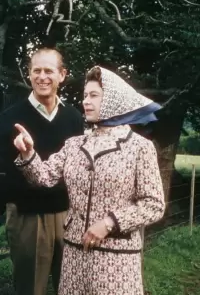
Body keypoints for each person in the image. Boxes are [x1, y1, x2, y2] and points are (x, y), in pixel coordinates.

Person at [12, 65, 166, 294]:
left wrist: (108, 224)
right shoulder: (74, 144)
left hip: (117, 261)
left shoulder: (139, 148)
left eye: (94, 95)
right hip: (74, 256)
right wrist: (28, 153)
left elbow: (154, 204)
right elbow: (42, 178)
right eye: (85, 96)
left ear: (113, 100)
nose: (86, 101)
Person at [0, 48, 84, 295]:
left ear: (62, 75)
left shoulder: (74, 117)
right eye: (36, 71)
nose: (42, 77)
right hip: (28, 216)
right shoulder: (13, 116)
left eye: (49, 71)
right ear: (29, 75)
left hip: (68, 215)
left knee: (71, 286)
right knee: (31, 288)